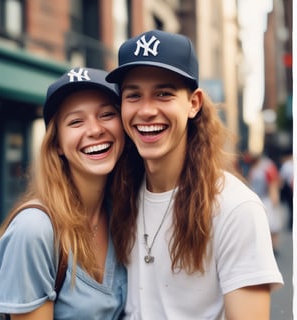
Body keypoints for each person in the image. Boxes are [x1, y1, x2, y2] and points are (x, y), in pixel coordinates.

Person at [107, 30, 283, 319]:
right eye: (134, 95)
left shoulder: (236, 208)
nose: (147, 110)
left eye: (164, 94)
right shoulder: (120, 194)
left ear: (194, 103)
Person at [0, 67, 127, 319]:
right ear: (57, 144)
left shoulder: (124, 214)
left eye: (107, 114)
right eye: (76, 121)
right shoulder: (34, 230)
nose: (95, 130)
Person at [247, 154, 283, 253]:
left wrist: (274, 200)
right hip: (258, 198)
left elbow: (273, 184)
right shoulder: (255, 167)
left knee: (271, 224)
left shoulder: (267, 167)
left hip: (266, 199)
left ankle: (273, 246)